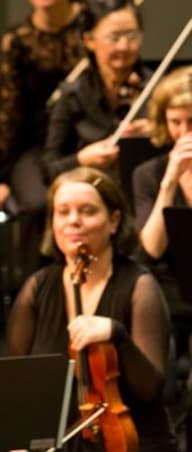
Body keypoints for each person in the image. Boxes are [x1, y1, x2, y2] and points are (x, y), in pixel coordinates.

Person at [8, 166, 176, 451]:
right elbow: (17, 384)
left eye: (87, 211)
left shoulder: (140, 286)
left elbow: (151, 391)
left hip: (130, 440)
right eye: (63, 212)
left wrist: (117, 334)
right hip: (59, 441)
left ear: (113, 221)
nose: (74, 221)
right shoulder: (37, 288)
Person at [0, 0, 87, 281]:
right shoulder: (18, 40)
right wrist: (3, 176)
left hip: (85, 139)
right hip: (36, 146)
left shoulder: (93, 24)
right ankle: (40, 295)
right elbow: (10, 111)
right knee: (37, 203)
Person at [42, 0, 152, 182]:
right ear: (89, 40)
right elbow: (49, 169)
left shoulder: (156, 88)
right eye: (114, 37)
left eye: (132, 36)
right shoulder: (73, 94)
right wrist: (81, 159)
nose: (124, 46)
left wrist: (159, 134)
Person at [132, 65, 192, 381]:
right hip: (168, 293)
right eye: (175, 122)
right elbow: (152, 249)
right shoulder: (148, 174)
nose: (184, 133)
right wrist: (170, 182)